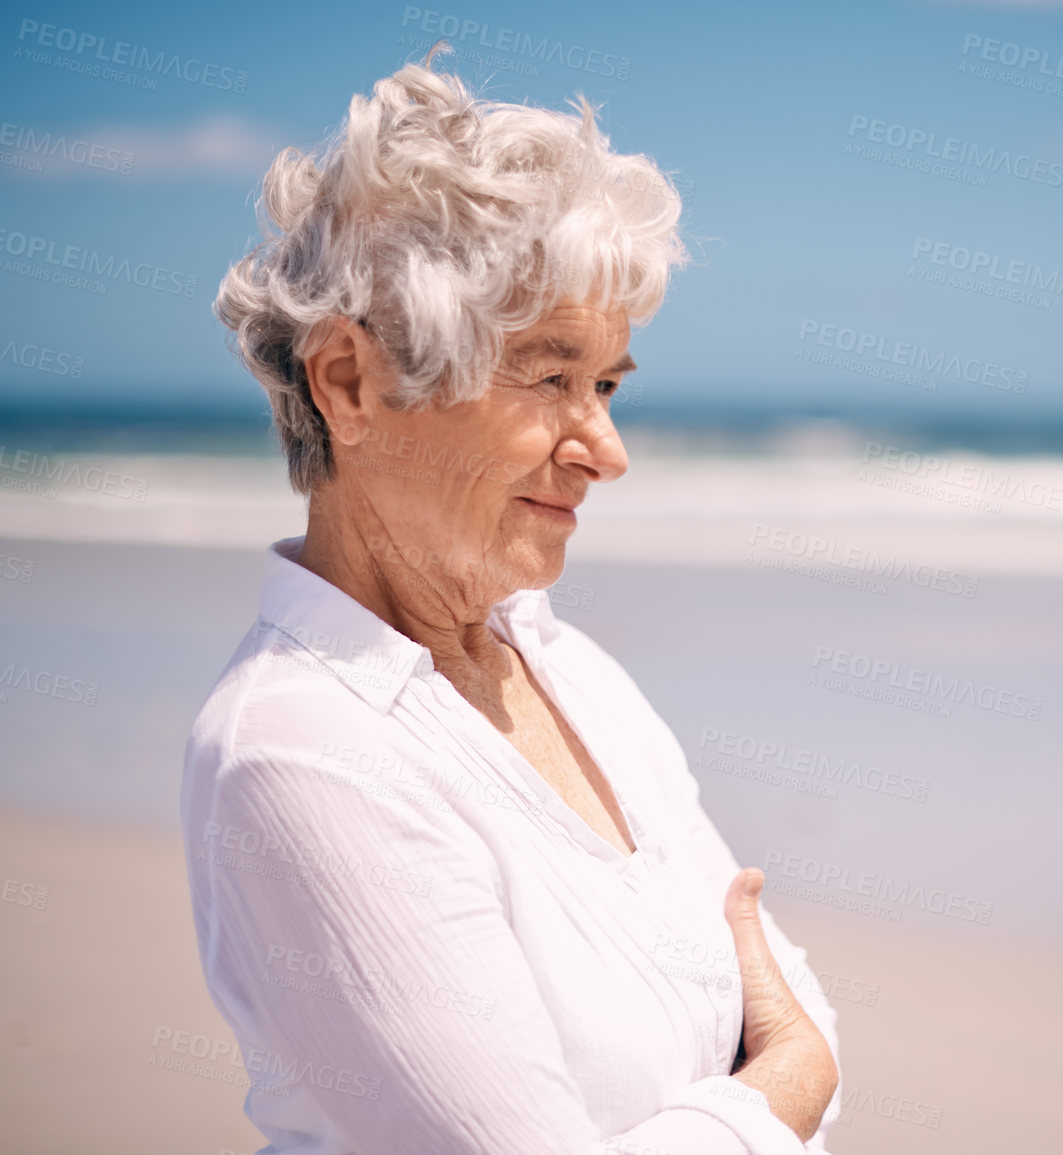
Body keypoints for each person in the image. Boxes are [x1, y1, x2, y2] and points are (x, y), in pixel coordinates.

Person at [182, 48, 840, 1154]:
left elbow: (788, 993)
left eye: (610, 384)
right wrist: (785, 1092)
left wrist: (778, 1073)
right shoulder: (303, 749)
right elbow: (795, 1048)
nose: (609, 451)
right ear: (350, 383)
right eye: (550, 377)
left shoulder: (560, 660)